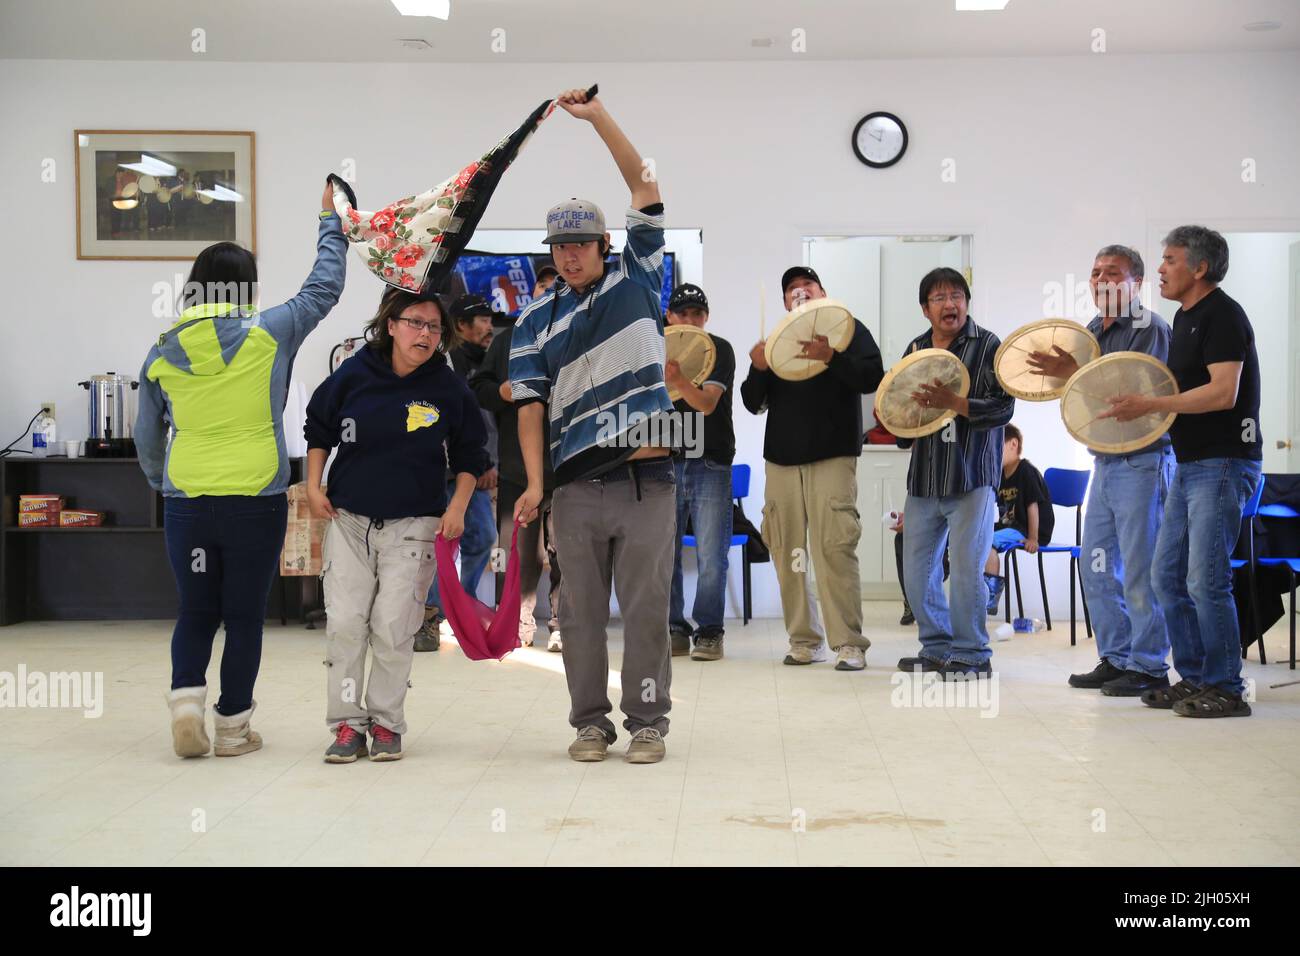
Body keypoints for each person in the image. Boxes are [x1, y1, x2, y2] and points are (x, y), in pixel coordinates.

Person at [136, 181, 346, 758]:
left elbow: (146, 432)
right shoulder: (271, 331)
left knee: (197, 609)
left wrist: (164, 482)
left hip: (187, 500)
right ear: (246, 288)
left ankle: (185, 701)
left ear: (194, 287)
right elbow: (323, 287)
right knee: (244, 615)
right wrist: (330, 220)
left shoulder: (161, 348)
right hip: (254, 497)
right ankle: (232, 728)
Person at [509, 87, 674, 764]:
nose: (570, 253)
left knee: (644, 612)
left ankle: (646, 724)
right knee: (576, 615)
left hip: (647, 481)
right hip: (573, 489)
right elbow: (529, 408)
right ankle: (589, 722)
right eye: (560, 244)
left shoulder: (637, 277)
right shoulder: (531, 322)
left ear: (604, 243)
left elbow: (644, 179)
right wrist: (534, 486)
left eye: (581, 241)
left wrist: (597, 117)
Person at [305, 289, 487, 762]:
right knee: (345, 624)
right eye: (414, 323)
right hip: (349, 520)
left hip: (416, 524)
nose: (424, 334)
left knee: (394, 625)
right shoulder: (356, 371)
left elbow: (472, 455)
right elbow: (318, 426)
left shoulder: (447, 387)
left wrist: (458, 507)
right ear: (391, 325)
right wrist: (313, 483)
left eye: (433, 327)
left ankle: (386, 723)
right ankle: (346, 724)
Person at [1102, 225, 1262, 717]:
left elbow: (1223, 393)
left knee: (1206, 580)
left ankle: (1226, 687)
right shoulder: (1186, 318)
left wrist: (1151, 403)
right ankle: (1193, 676)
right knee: (1166, 576)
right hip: (1190, 463)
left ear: (1199, 268)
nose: (1163, 269)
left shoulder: (1223, 315)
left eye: (1170, 260)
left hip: (1224, 462)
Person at [1027, 245, 1176, 695]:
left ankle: (1149, 666)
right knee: (1097, 565)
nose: (1101, 280)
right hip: (1105, 461)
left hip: (1144, 459)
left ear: (1136, 283)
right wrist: (1061, 376)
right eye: (1095, 273)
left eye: (1113, 273)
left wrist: (1075, 371)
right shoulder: (1091, 331)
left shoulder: (1151, 327)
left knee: (1140, 568)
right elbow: (1084, 395)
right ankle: (1116, 657)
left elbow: (1132, 393)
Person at [740, 267, 884, 670]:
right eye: (791, 290)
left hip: (833, 455)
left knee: (834, 547)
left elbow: (872, 375)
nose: (799, 293)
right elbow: (753, 402)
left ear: (823, 292)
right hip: (782, 460)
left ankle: (849, 643)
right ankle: (804, 639)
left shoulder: (846, 329)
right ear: (785, 302)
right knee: (789, 550)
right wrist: (759, 367)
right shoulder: (776, 343)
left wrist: (831, 358)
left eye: (807, 286)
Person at [892, 267, 1014, 679]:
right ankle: (937, 646)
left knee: (965, 570)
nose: (950, 304)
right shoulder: (915, 348)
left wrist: (954, 402)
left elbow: (1003, 408)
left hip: (971, 477)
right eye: (940, 298)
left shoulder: (989, 344)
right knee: (918, 571)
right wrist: (891, 419)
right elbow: (906, 414)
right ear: (925, 308)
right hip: (925, 478)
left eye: (957, 296)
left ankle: (973, 653)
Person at [471, 296, 564, 651]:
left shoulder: (579, 333)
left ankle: (562, 624)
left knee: (567, 554)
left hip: (568, 467)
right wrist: (501, 392)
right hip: (517, 469)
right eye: (540, 290)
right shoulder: (509, 339)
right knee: (517, 554)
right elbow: (479, 388)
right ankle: (516, 622)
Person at [413, 293, 500, 652]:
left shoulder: (494, 362)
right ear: (460, 326)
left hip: (474, 468)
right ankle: (429, 617)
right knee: (436, 545)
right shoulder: (444, 362)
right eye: (480, 318)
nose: (488, 325)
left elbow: (490, 422)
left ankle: (455, 606)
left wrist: (488, 462)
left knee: (481, 536)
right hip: (437, 469)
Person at [664, 283, 736, 661]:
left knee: (712, 555)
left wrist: (676, 381)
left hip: (711, 460)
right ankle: (674, 628)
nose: (690, 320)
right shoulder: (654, 349)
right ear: (669, 317)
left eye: (697, 313)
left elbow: (707, 403)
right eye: (683, 313)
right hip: (666, 458)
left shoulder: (718, 349)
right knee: (666, 553)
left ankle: (710, 631)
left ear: (705, 317)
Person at [983, 423, 1054, 614]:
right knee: (978, 536)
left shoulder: (1026, 471)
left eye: (997, 446)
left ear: (1013, 444)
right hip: (1011, 526)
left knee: (986, 542)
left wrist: (1033, 538)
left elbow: (1033, 506)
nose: (992, 452)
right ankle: (977, 591)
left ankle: (989, 595)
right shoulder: (999, 474)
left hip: (1029, 529)